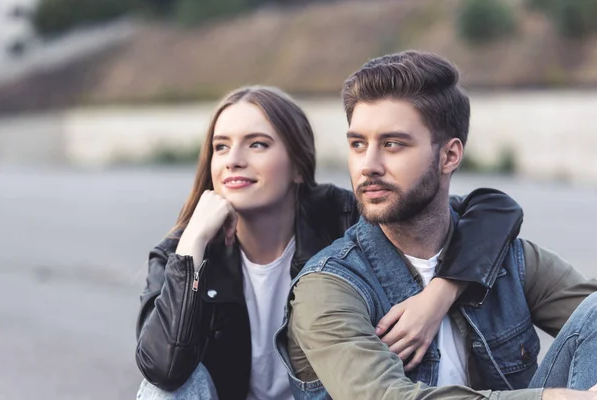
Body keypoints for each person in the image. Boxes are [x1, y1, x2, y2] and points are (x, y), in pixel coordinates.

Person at [134, 85, 525, 400]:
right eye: (221, 146)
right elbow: (164, 370)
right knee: (160, 391)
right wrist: (192, 246)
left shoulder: (343, 216)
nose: (233, 160)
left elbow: (493, 209)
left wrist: (440, 294)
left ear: (299, 166)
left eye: (257, 144)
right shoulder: (180, 253)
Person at [278, 51, 597, 400]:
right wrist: (559, 399)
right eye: (358, 144)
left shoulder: (508, 260)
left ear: (449, 156)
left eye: (392, 144)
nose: (368, 165)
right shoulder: (328, 287)